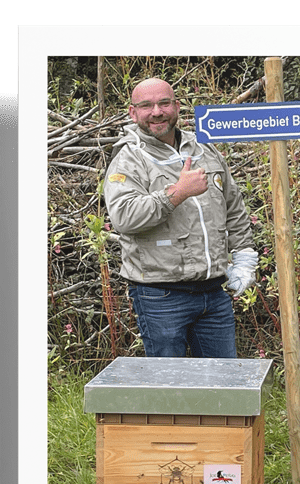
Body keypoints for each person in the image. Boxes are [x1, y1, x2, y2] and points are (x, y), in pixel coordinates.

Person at [104, 77, 258, 358]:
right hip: (159, 296)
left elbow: (232, 206)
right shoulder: (128, 159)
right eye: (146, 105)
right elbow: (124, 217)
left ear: (177, 106)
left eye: (164, 103)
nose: (157, 112)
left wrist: (245, 255)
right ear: (132, 112)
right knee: (168, 387)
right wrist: (177, 193)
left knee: (222, 386)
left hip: (213, 292)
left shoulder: (203, 149)